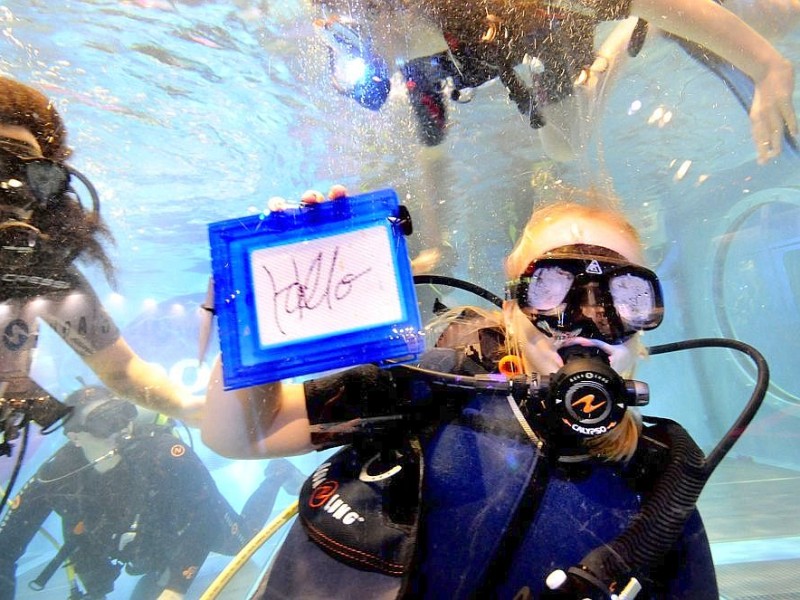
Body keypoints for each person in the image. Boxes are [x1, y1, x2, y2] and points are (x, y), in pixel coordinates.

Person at [201, 186, 718, 598]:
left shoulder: (660, 485)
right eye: (553, 288)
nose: (586, 319)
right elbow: (239, 436)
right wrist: (263, 303)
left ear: (644, 331)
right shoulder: (431, 386)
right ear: (512, 309)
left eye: (623, 298)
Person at [312, 0, 796, 164]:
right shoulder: (406, 63)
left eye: (352, 32)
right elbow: (430, 147)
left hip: (550, 25)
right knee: (564, 147)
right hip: (535, 40)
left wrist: (767, 67)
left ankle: (628, 30)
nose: (352, 48)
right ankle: (623, 41)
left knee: (773, 20)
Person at [0, 76, 203, 439]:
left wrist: (198, 411)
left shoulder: (43, 274)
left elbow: (122, 372)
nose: (11, 188)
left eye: (28, 173)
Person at [0, 385, 306, 600]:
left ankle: (276, 475)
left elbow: (204, 515)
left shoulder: (163, 451)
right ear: (74, 437)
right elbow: (5, 549)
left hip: (192, 521)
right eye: (104, 422)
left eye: (122, 416)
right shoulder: (57, 476)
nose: (120, 429)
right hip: (146, 545)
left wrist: (176, 586)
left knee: (242, 540)